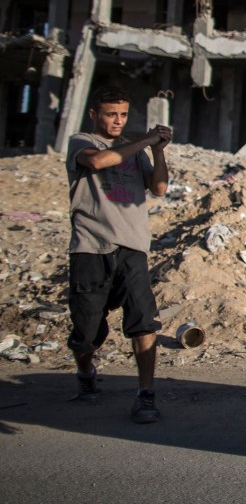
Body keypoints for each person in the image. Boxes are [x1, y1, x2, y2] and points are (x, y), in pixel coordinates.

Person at [65, 85, 172, 424]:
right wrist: (146, 139)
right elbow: (98, 162)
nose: (117, 121)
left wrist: (159, 151)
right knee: (87, 332)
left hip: (132, 247)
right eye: (111, 114)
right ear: (94, 113)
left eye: (123, 115)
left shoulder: (136, 151)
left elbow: (158, 188)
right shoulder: (81, 142)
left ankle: (145, 394)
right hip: (91, 247)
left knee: (143, 320)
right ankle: (86, 372)